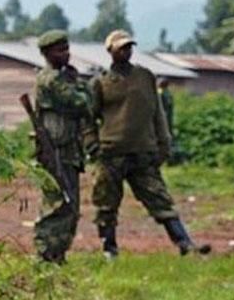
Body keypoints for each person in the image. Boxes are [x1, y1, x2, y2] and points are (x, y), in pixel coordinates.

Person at [90, 30, 210, 259]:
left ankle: (185, 244)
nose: (126, 51)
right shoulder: (100, 83)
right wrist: (92, 145)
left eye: (129, 47)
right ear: (111, 51)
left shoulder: (145, 77)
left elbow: (158, 114)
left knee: (160, 199)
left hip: (143, 152)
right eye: (121, 48)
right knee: (106, 204)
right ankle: (109, 250)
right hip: (111, 153)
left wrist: (164, 143)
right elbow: (88, 118)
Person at [31, 30, 96, 264]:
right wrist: (82, 84)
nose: (66, 54)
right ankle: (46, 254)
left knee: (69, 206)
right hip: (57, 151)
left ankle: (57, 253)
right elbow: (82, 103)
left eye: (67, 49)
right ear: (47, 53)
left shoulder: (61, 77)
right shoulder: (51, 79)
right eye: (60, 50)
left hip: (67, 150)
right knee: (58, 204)